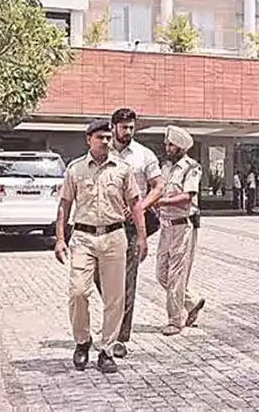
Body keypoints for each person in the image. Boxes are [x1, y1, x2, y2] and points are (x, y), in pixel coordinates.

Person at [54, 119, 148, 374]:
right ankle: (82, 341)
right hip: (83, 237)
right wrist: (60, 238)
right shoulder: (75, 169)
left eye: (108, 137)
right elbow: (64, 204)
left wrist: (141, 237)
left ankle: (107, 350)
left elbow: (135, 203)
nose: (105, 141)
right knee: (78, 292)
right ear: (89, 140)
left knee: (115, 297)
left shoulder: (122, 169)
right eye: (100, 137)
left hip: (114, 236)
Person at [93, 107, 164, 359]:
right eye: (124, 127)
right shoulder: (103, 151)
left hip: (131, 226)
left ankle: (120, 338)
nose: (128, 132)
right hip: (103, 224)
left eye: (132, 128)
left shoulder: (144, 155)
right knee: (99, 276)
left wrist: (139, 207)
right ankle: (113, 318)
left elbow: (158, 186)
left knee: (127, 281)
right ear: (113, 127)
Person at [153, 125, 206, 336]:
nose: (167, 148)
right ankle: (192, 302)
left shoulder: (191, 168)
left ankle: (175, 321)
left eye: (171, 145)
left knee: (175, 275)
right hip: (165, 226)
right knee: (161, 273)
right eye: (166, 144)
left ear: (181, 147)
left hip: (183, 226)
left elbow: (187, 197)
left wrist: (161, 202)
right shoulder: (165, 168)